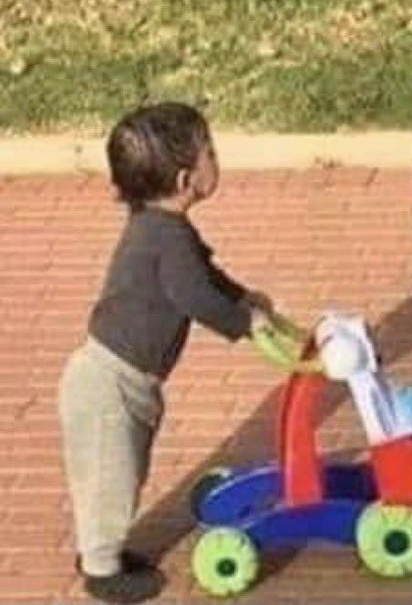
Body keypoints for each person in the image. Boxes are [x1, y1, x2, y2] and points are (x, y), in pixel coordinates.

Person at [57, 102, 275, 602]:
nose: (217, 160)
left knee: (121, 473)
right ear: (185, 179)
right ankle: (102, 570)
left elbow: (203, 275)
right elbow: (194, 296)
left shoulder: (165, 229)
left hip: (120, 379)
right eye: (211, 153)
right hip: (109, 384)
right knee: (112, 480)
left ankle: (106, 550)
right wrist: (245, 322)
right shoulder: (167, 237)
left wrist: (241, 295)